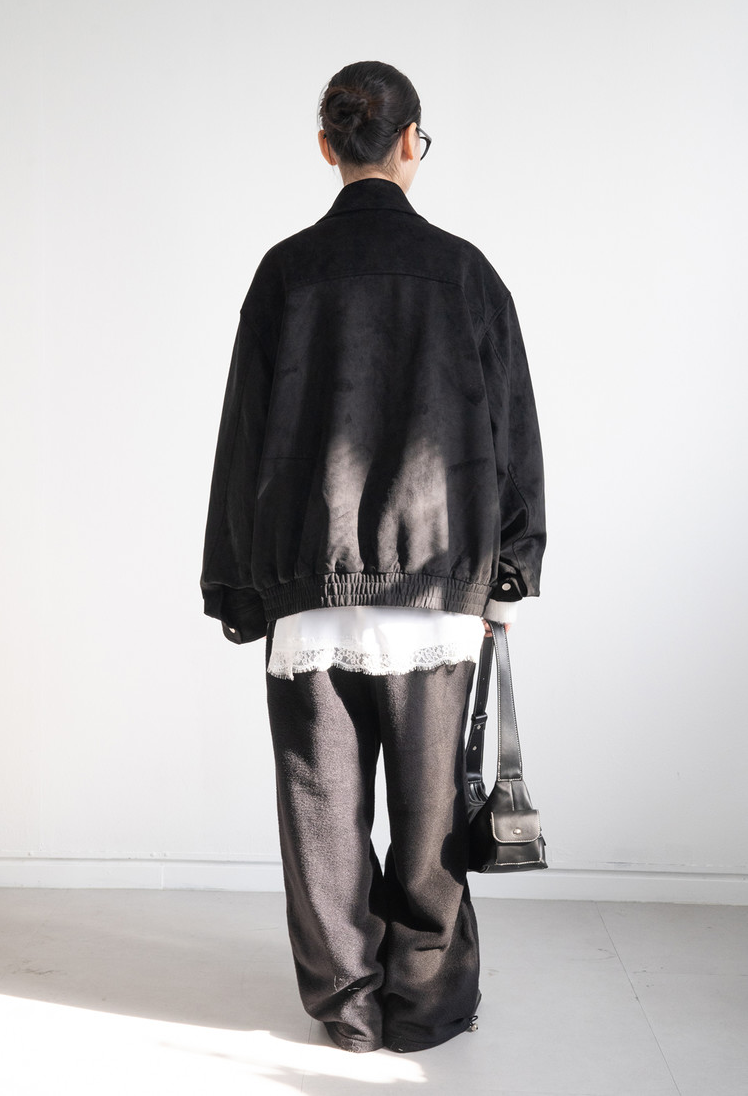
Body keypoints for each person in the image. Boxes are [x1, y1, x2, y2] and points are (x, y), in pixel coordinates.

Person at [200, 60, 546, 1054]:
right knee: (432, 820)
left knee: (320, 820)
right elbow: (512, 431)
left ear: (326, 146)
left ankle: (346, 1008)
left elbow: (244, 441)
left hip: (310, 591)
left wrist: (238, 588)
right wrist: (511, 570)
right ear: (409, 143)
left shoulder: (284, 273)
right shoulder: (466, 273)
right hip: (437, 594)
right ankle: (426, 1006)